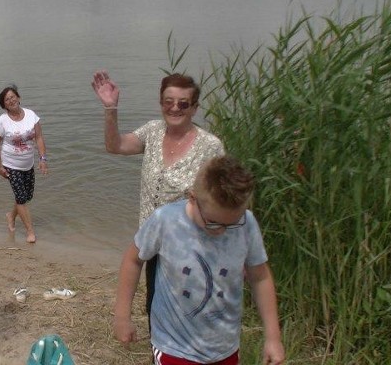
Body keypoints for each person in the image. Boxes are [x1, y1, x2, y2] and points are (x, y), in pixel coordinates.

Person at [113, 156, 285, 365]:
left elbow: (260, 278)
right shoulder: (165, 221)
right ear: (192, 198)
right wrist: (122, 316)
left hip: (225, 347)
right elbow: (133, 260)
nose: (222, 231)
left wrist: (273, 337)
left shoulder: (246, 224)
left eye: (232, 223)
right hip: (174, 347)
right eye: (213, 223)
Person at [91, 71, 224, 320]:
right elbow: (115, 146)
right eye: (168, 102)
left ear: (195, 108)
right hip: (152, 245)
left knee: (189, 313)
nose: (175, 108)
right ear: (161, 103)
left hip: (190, 249)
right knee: (155, 309)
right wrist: (111, 108)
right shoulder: (153, 131)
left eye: (183, 104)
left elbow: (219, 202)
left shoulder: (211, 146)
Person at [0, 85, 48, 244]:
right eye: (7, 100)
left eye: (12, 97)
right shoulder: (2, 122)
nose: (11, 100)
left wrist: (42, 159)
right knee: (21, 198)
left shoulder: (31, 115)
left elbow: (39, 138)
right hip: (10, 164)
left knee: (26, 196)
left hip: (28, 164)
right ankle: (30, 231)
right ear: (4, 105)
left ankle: (11, 216)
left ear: (18, 97)